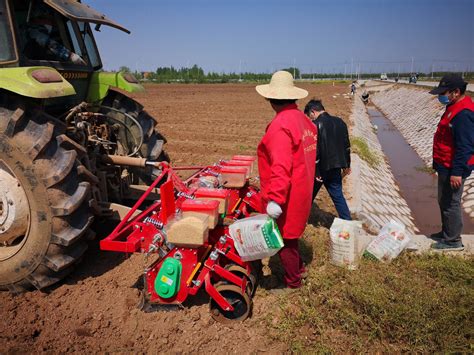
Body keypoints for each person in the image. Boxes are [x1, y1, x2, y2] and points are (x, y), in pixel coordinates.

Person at [256, 71, 317, 289]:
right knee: (291, 236)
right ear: (293, 97)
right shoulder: (303, 120)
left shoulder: (280, 126)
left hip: (288, 195)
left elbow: (281, 166)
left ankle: (294, 282)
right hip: (302, 188)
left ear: (270, 99)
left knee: (283, 240)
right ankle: (300, 268)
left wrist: (275, 199)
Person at [429, 74, 474, 251]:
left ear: (456, 92)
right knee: (444, 200)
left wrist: (457, 172)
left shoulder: (463, 114)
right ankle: (447, 232)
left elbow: (465, 147)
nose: (442, 96)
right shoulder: (453, 106)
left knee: (451, 203)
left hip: (453, 167)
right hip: (445, 165)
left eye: (444, 92)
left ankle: (453, 240)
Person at [304, 99, 352, 220]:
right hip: (336, 167)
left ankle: (300, 219)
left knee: (308, 196)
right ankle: (347, 221)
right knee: (338, 197)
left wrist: (317, 172)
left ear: (313, 111)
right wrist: (347, 165)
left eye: (310, 116)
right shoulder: (340, 122)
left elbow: (315, 151)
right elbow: (346, 145)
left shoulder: (315, 125)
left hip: (320, 169)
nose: (311, 119)